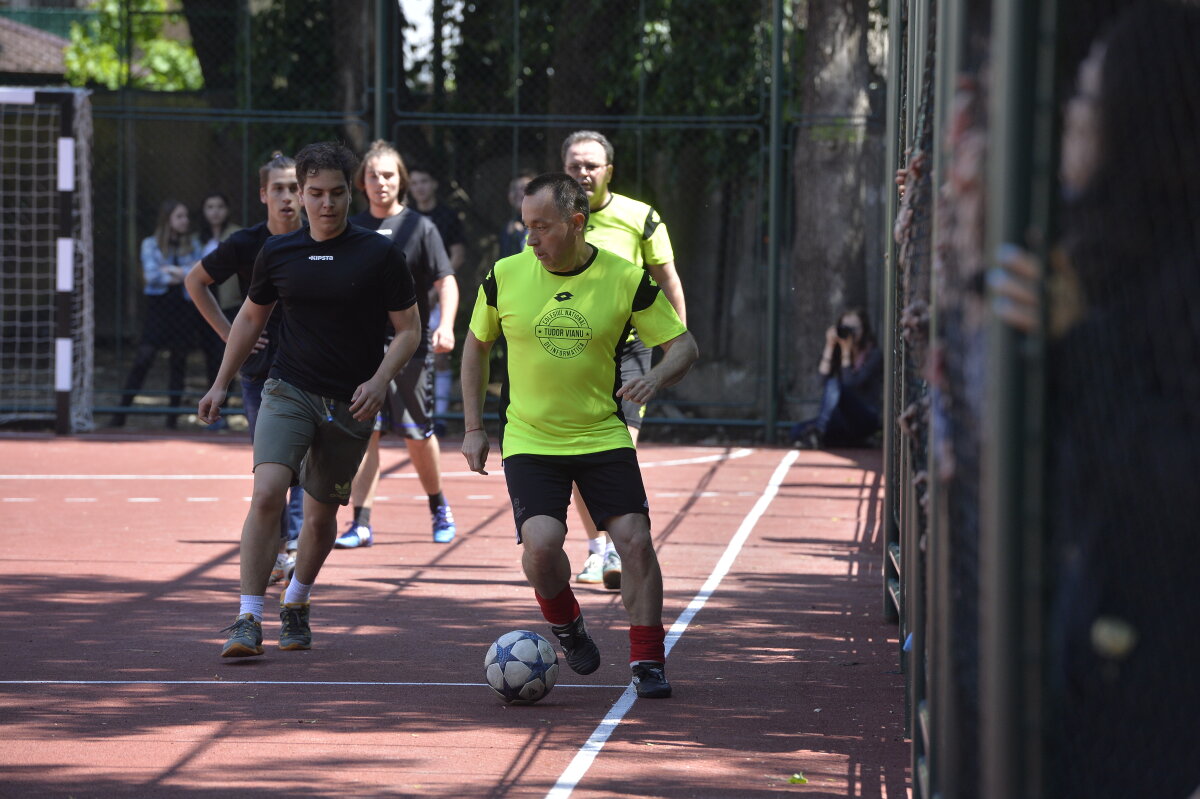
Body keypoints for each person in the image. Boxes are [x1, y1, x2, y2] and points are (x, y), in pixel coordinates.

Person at [991, 4, 1200, 795]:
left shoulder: (1174, 283)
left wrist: (1083, 339)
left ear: (1135, 122)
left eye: (1085, 101)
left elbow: (1176, 476)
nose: (1067, 120)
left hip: (1151, 667)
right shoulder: (1108, 249)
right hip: (1103, 640)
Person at [460, 172, 699, 698]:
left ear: (576, 223)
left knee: (635, 543)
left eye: (542, 227)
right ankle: (569, 626)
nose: (531, 239)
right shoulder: (504, 275)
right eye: (526, 227)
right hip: (529, 438)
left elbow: (683, 346)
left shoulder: (624, 278)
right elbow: (475, 346)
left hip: (601, 434)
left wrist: (656, 376)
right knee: (542, 550)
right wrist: (475, 427)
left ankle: (647, 662)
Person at [199, 141, 420, 659]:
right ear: (299, 194)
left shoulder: (379, 252)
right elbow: (251, 318)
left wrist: (381, 378)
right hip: (287, 387)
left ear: (351, 193)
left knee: (322, 519)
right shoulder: (278, 252)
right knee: (269, 491)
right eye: (315, 193)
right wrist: (220, 383)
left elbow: (408, 330)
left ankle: (295, 602)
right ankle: (248, 617)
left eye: (337, 194)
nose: (326, 204)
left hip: (352, 401)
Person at [561, 130, 688, 590]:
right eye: (575, 165)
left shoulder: (641, 217)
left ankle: (617, 546)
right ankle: (599, 549)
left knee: (616, 449)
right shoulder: (551, 221)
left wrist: (676, 346)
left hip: (629, 348)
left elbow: (667, 280)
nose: (584, 173)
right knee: (576, 456)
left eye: (592, 165)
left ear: (608, 170)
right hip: (571, 351)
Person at [185, 153, 305, 584]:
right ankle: (284, 548)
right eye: (278, 188)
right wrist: (227, 333)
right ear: (263, 194)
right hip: (260, 374)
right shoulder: (246, 243)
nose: (287, 196)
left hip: (313, 372)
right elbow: (195, 281)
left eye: (294, 187)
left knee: (306, 467)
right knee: (274, 468)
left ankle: (292, 546)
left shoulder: (321, 240)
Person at [336, 140, 459, 547]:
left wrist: (447, 325)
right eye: (372, 175)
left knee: (416, 434)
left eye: (388, 174)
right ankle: (361, 522)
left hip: (408, 346)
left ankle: (439, 506)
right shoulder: (351, 229)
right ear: (362, 183)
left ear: (400, 180)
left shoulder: (421, 227)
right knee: (364, 432)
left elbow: (446, 281)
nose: (380, 182)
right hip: (362, 350)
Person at [112, 199, 203, 429]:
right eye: (180, 216)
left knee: (178, 360)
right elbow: (152, 276)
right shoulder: (150, 244)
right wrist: (181, 274)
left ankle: (172, 418)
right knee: (144, 357)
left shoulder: (193, 244)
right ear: (168, 219)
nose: (186, 221)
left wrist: (173, 272)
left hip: (183, 309)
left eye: (186, 216)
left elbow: (198, 273)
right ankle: (121, 413)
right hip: (159, 308)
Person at [407, 165, 467, 432]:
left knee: (440, 354)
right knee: (407, 353)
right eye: (414, 182)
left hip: (439, 296)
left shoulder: (447, 216)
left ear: (433, 184)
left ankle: (440, 417)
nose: (419, 187)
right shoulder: (405, 217)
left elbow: (457, 255)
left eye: (423, 180)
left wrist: (435, 291)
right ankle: (410, 413)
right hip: (408, 298)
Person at [789, 308, 882, 449]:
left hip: (865, 417)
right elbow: (822, 381)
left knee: (835, 384)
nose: (850, 333)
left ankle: (821, 432)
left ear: (864, 329)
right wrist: (830, 345)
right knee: (796, 430)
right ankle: (831, 435)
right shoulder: (837, 352)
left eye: (854, 328)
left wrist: (846, 353)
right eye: (846, 328)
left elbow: (851, 384)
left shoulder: (874, 354)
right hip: (842, 419)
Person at [197, 192, 243, 315]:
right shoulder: (196, 239)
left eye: (220, 207)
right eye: (210, 207)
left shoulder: (237, 234)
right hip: (204, 295)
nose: (215, 211)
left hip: (231, 298)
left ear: (227, 210)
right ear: (203, 211)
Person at [498, 171, 534, 258]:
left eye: (523, 189)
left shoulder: (548, 220)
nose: (518, 193)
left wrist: (522, 236)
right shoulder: (508, 228)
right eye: (514, 189)